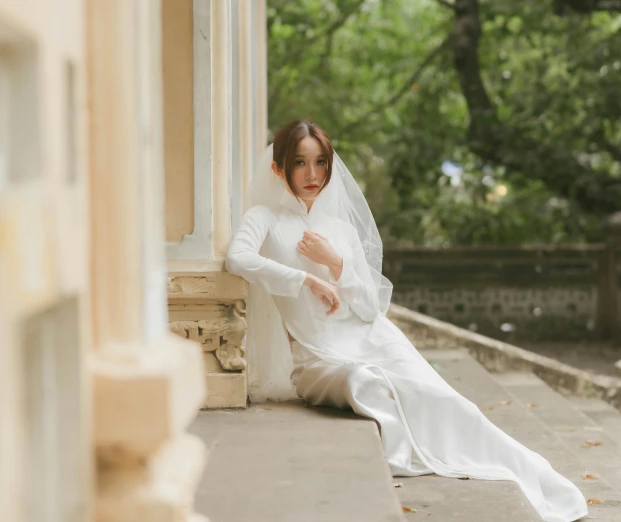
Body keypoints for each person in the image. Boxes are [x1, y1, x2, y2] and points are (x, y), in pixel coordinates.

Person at [225, 120, 588, 522]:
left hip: (373, 337)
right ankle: (403, 453)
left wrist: (335, 262)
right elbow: (237, 258)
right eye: (299, 163)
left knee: (449, 401)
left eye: (321, 162)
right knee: (365, 382)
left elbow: (367, 306)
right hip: (317, 359)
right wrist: (305, 278)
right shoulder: (266, 218)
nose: (312, 175)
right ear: (279, 169)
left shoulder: (340, 230)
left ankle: (536, 478)